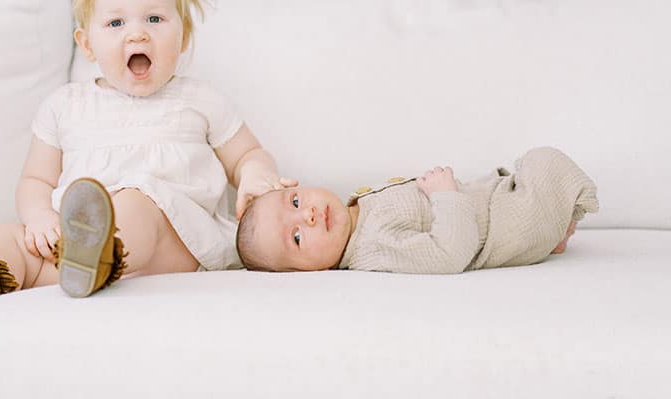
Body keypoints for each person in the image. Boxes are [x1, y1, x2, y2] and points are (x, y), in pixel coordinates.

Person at [0, 0, 293, 307]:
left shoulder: (201, 101)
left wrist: (256, 173)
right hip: (69, 251)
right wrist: (39, 218)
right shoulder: (64, 106)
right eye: (116, 22)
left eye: (154, 19)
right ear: (86, 45)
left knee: (137, 202)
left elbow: (246, 154)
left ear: (183, 35)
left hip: (174, 246)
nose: (137, 33)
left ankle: (98, 249)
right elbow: (36, 179)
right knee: (9, 237)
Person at [235, 147, 598, 273]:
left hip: (498, 201)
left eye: (295, 202)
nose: (308, 216)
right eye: (297, 237)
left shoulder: (357, 212)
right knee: (544, 160)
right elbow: (449, 254)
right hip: (508, 225)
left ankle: (551, 230)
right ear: (309, 271)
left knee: (529, 169)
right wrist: (444, 194)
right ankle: (557, 227)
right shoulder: (374, 248)